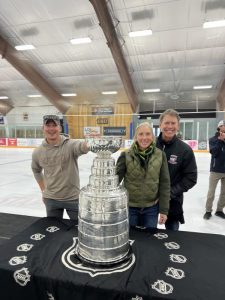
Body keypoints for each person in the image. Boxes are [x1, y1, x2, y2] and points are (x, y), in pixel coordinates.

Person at [31, 114, 89, 222]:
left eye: (55, 125)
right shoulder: (38, 152)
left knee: (80, 230)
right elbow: (36, 170)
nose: (51, 129)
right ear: (43, 128)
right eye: (48, 126)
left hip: (73, 199)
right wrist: (43, 189)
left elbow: (81, 147)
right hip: (51, 200)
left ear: (60, 128)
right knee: (53, 232)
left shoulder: (70, 145)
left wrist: (89, 143)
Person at [116, 122, 170, 229]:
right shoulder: (126, 155)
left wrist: (164, 210)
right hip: (130, 207)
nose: (144, 138)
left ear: (152, 136)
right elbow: (115, 181)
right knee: (130, 239)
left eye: (147, 134)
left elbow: (165, 184)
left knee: (149, 240)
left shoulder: (160, 155)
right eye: (141, 134)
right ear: (136, 137)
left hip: (151, 208)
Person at [156, 109, 197, 231]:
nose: (169, 126)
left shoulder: (185, 150)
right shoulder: (150, 145)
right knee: (147, 234)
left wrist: (170, 193)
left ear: (178, 126)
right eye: (166, 123)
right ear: (160, 125)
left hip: (173, 202)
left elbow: (191, 178)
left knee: (172, 236)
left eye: (173, 123)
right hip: (149, 201)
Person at [203, 120, 225, 220]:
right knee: (211, 192)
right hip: (215, 170)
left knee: (224, 192)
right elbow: (214, 153)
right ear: (219, 127)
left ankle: (219, 210)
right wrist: (220, 141)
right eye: (223, 126)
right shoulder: (213, 139)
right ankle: (208, 211)